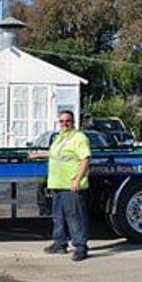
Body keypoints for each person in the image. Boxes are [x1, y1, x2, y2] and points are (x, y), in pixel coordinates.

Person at [30, 110, 91, 261]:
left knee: (74, 216)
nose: (64, 124)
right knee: (58, 216)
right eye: (62, 121)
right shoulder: (59, 137)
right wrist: (37, 155)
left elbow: (85, 159)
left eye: (68, 121)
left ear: (73, 122)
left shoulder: (79, 137)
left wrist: (77, 180)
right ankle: (60, 243)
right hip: (57, 183)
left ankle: (80, 247)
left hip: (70, 184)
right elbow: (54, 154)